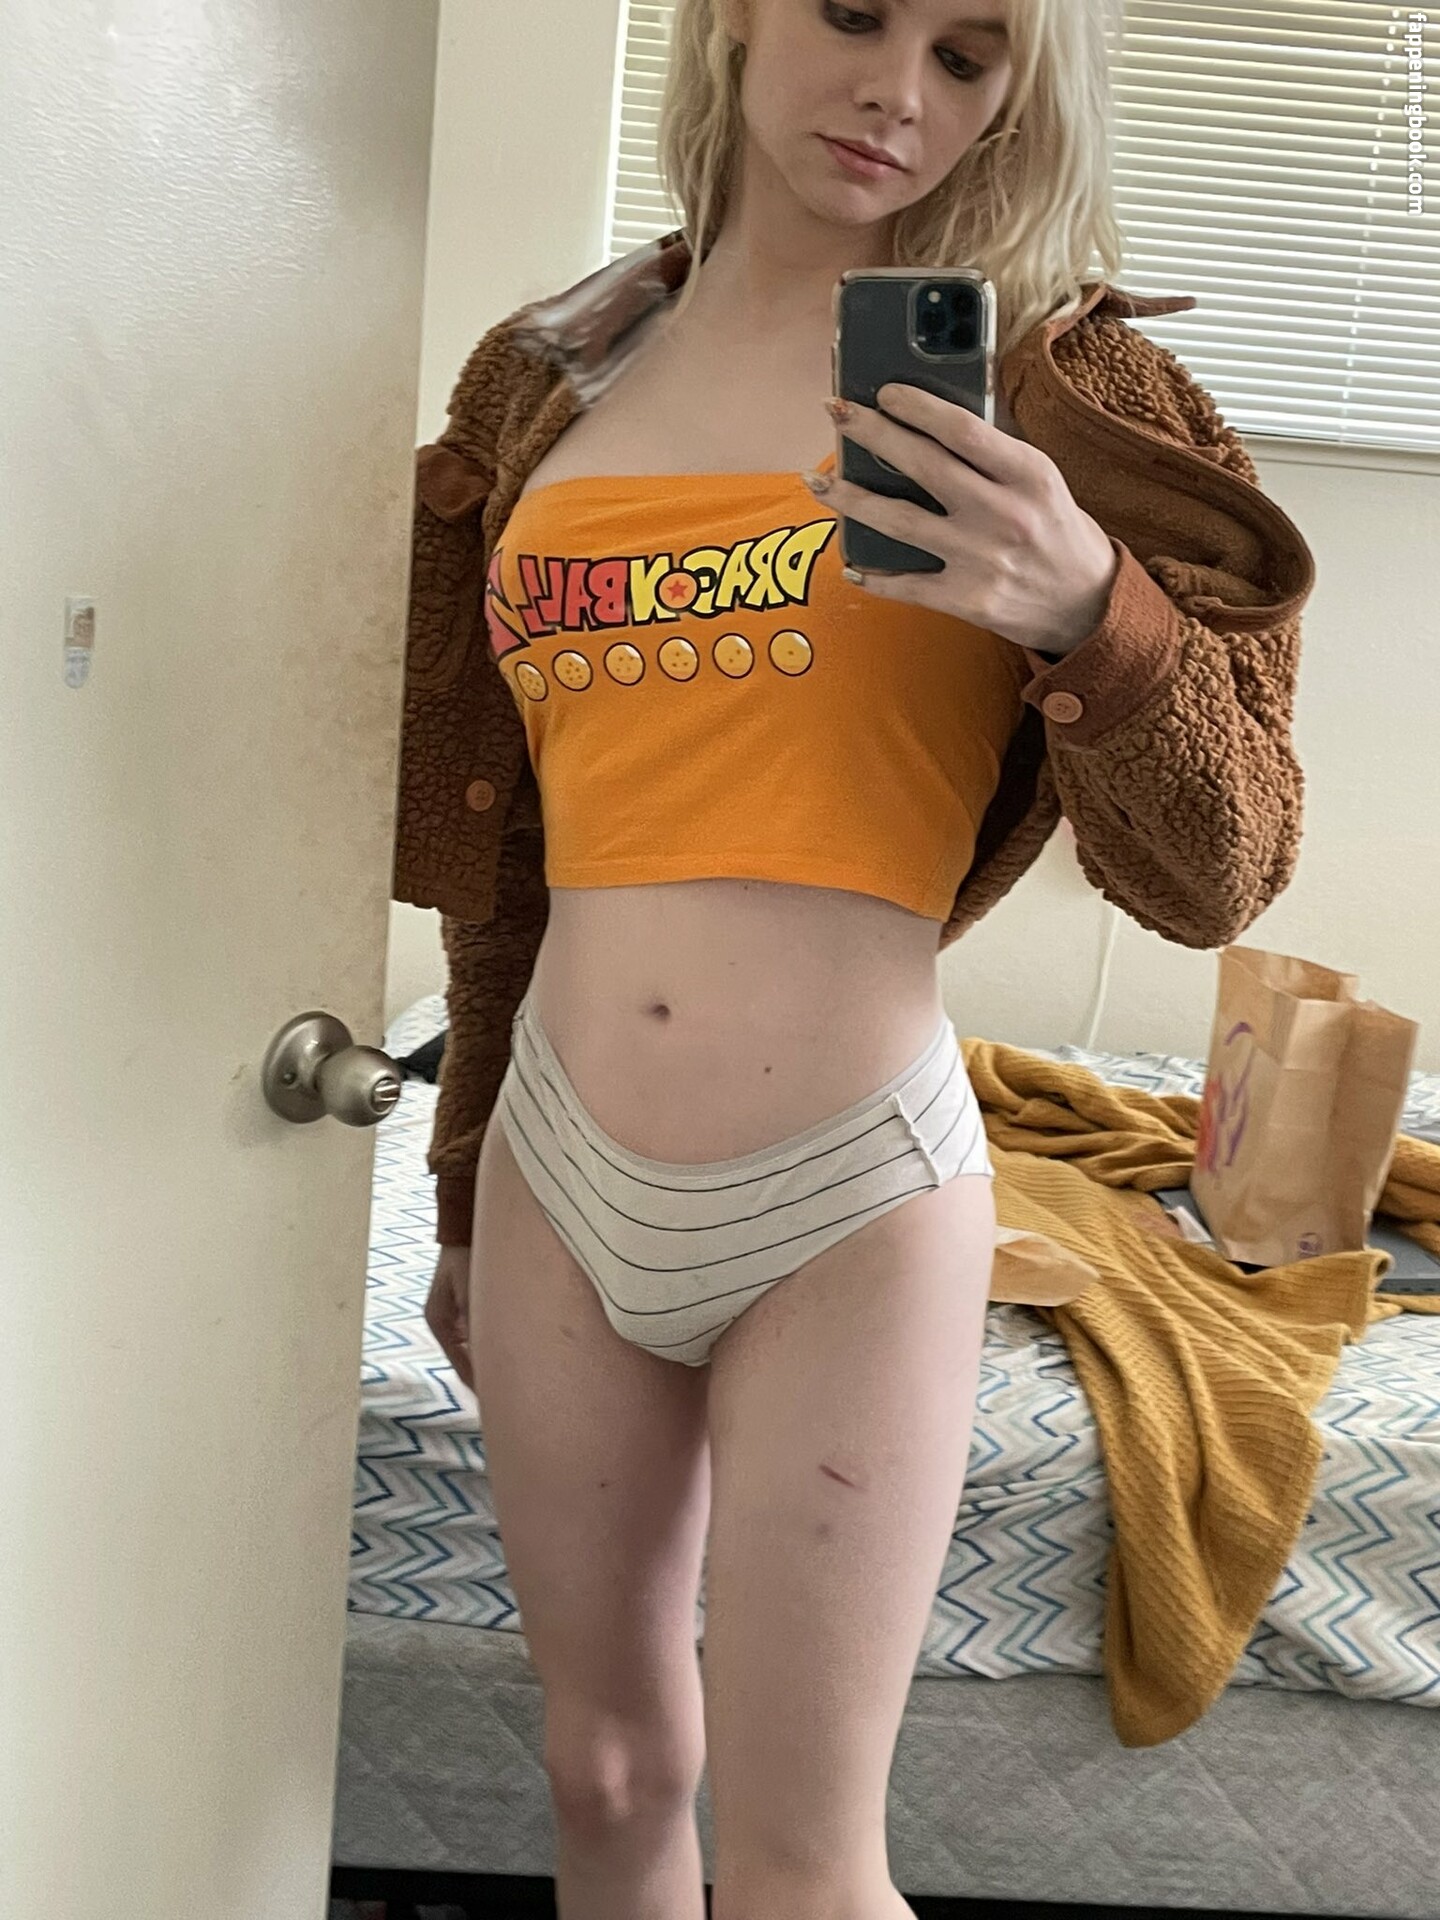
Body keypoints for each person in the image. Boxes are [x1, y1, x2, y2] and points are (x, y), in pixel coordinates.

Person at [410, 2, 1310, 1915]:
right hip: (560, 1157)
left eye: (970, 55)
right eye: (852, 12)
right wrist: (463, 1180)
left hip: (848, 1189)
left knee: (806, 1864)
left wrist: (1091, 608)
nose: (898, 89)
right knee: (603, 1770)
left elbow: (1225, 869)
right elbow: (499, 865)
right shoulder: (547, 374)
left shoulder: (1079, 394)